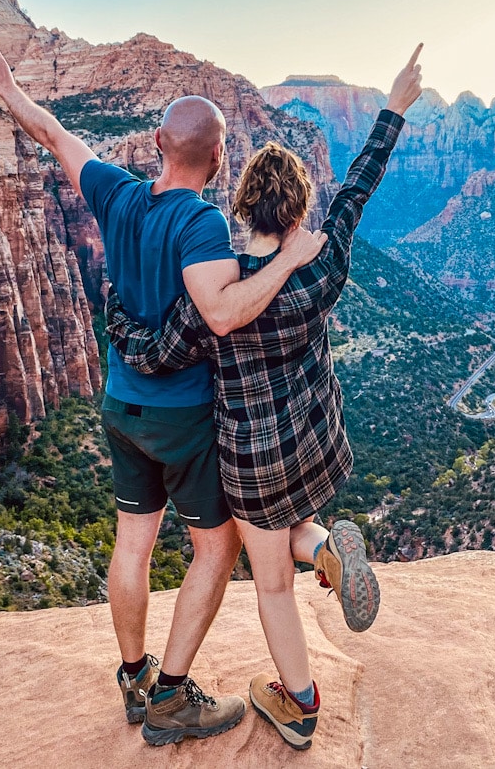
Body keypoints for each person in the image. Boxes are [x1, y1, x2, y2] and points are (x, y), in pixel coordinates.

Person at [0, 32, 327, 746]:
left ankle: (133, 676)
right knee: (217, 549)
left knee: (132, 545)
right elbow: (224, 312)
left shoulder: (117, 193)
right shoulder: (200, 222)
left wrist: (6, 88)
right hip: (183, 416)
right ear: (221, 160)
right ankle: (169, 698)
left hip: (119, 407)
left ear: (158, 141)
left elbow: (54, 135)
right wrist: (290, 257)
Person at [106, 45, 424, 750]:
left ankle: (300, 702)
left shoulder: (220, 294)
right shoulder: (325, 260)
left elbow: (156, 354)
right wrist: (394, 108)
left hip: (251, 462)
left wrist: (117, 318)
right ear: (301, 205)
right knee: (298, 527)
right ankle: (332, 557)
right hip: (316, 445)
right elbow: (360, 189)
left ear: (241, 204)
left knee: (270, 580)